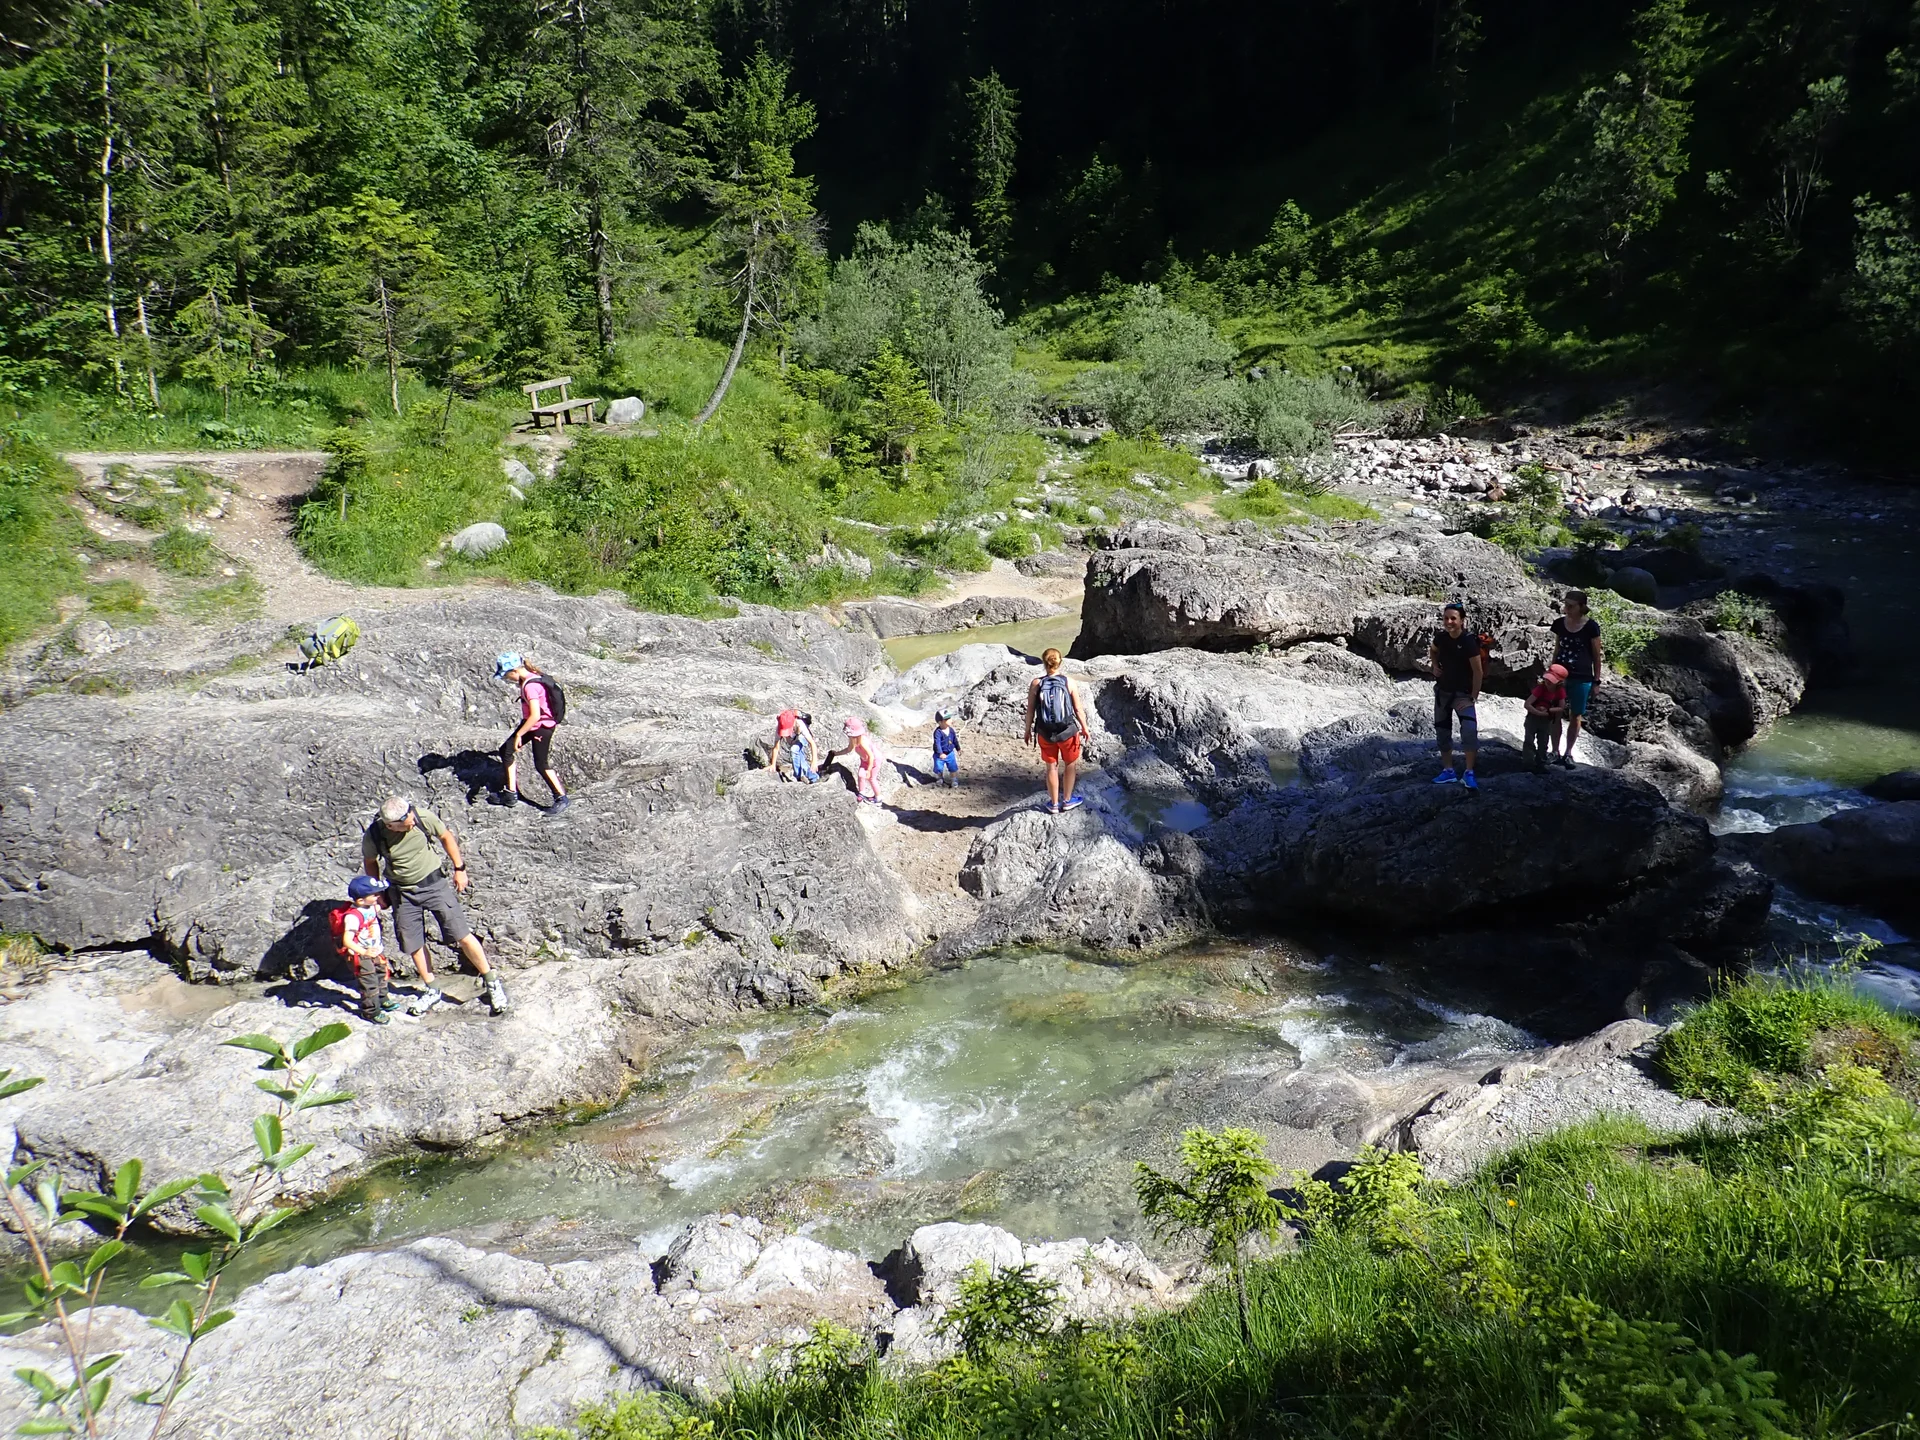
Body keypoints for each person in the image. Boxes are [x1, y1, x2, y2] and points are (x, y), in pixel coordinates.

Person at [362, 796, 510, 1016]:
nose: (412, 820)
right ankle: (432, 988)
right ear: (391, 825)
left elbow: (445, 836)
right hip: (402, 893)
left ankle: (491, 980)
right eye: (405, 820)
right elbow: (370, 861)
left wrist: (460, 868)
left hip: (434, 885)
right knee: (413, 942)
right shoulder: (375, 834)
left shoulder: (422, 817)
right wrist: (378, 892)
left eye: (410, 813)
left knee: (461, 934)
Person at [494, 653, 568, 813]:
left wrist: (519, 735)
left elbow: (535, 715)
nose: (507, 679)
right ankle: (510, 794)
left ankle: (561, 798)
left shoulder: (530, 686)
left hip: (541, 727)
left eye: (506, 676)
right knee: (506, 750)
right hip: (531, 724)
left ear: (514, 671)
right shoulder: (531, 677)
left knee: (541, 764)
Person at [1025, 648, 1090, 814]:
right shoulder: (1069, 682)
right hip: (1068, 731)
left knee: (1051, 767)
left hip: (1045, 732)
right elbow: (1078, 709)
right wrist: (1084, 727)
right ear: (1060, 662)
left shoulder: (1036, 683)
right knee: (1070, 765)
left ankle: (1054, 804)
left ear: (1044, 662)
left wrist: (1027, 730)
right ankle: (1067, 800)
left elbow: (1030, 711)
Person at [1428, 602, 1484, 790]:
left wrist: (1473, 697)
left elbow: (1478, 672)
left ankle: (1469, 772)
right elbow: (1433, 650)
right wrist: (1434, 665)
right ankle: (1448, 770)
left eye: (1453, 618)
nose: (1449, 622)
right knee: (1442, 731)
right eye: (1446, 618)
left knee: (1469, 731)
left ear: (1462, 620)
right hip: (1443, 692)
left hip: (1463, 694)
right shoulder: (1441, 638)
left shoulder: (1468, 641)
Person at [1550, 591, 1605, 768]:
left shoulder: (1591, 627)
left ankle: (1568, 753)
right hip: (1559, 675)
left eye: (1571, 606)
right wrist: (1550, 672)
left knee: (1575, 714)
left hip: (1582, 676)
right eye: (1566, 604)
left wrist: (1596, 681)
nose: (1566, 608)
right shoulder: (1559, 624)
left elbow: (1596, 656)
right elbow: (1557, 649)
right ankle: (1554, 751)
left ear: (1581, 607)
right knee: (1555, 713)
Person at [341, 875, 400, 1025]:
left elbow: (382, 904)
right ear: (361, 900)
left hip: (375, 950)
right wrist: (364, 952)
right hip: (362, 955)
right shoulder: (353, 917)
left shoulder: (371, 907)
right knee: (369, 982)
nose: (377, 896)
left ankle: (382, 998)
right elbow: (347, 940)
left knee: (381, 974)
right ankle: (371, 1011)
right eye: (374, 895)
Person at [824, 717, 884, 804]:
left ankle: (878, 798)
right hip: (864, 760)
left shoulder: (862, 741)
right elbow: (848, 750)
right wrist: (836, 753)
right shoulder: (854, 741)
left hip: (874, 760)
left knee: (871, 778)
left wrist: (868, 770)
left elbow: (871, 756)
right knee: (860, 775)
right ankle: (862, 793)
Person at [1523, 663, 1571, 772]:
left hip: (1546, 720)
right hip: (1533, 718)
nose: (1548, 682)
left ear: (1559, 682)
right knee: (1529, 740)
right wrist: (1537, 712)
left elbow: (1561, 707)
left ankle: (1541, 763)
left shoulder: (1560, 691)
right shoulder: (1541, 688)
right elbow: (1527, 704)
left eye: (1551, 680)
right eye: (1547, 679)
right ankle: (1528, 763)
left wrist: (1549, 711)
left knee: (1543, 742)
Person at [773, 708, 819, 783]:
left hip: (801, 737)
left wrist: (814, 761)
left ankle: (800, 776)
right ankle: (812, 777)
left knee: (794, 750)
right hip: (794, 739)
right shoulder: (779, 727)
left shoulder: (800, 724)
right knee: (799, 757)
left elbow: (812, 743)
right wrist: (773, 764)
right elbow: (776, 748)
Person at [931, 709, 961, 788]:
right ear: (940, 722)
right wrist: (940, 753)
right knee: (939, 767)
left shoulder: (951, 730)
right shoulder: (938, 732)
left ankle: (954, 780)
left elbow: (955, 740)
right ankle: (940, 777)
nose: (950, 720)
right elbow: (937, 743)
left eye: (950, 718)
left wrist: (958, 748)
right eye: (947, 719)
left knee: (953, 768)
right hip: (939, 754)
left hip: (950, 753)